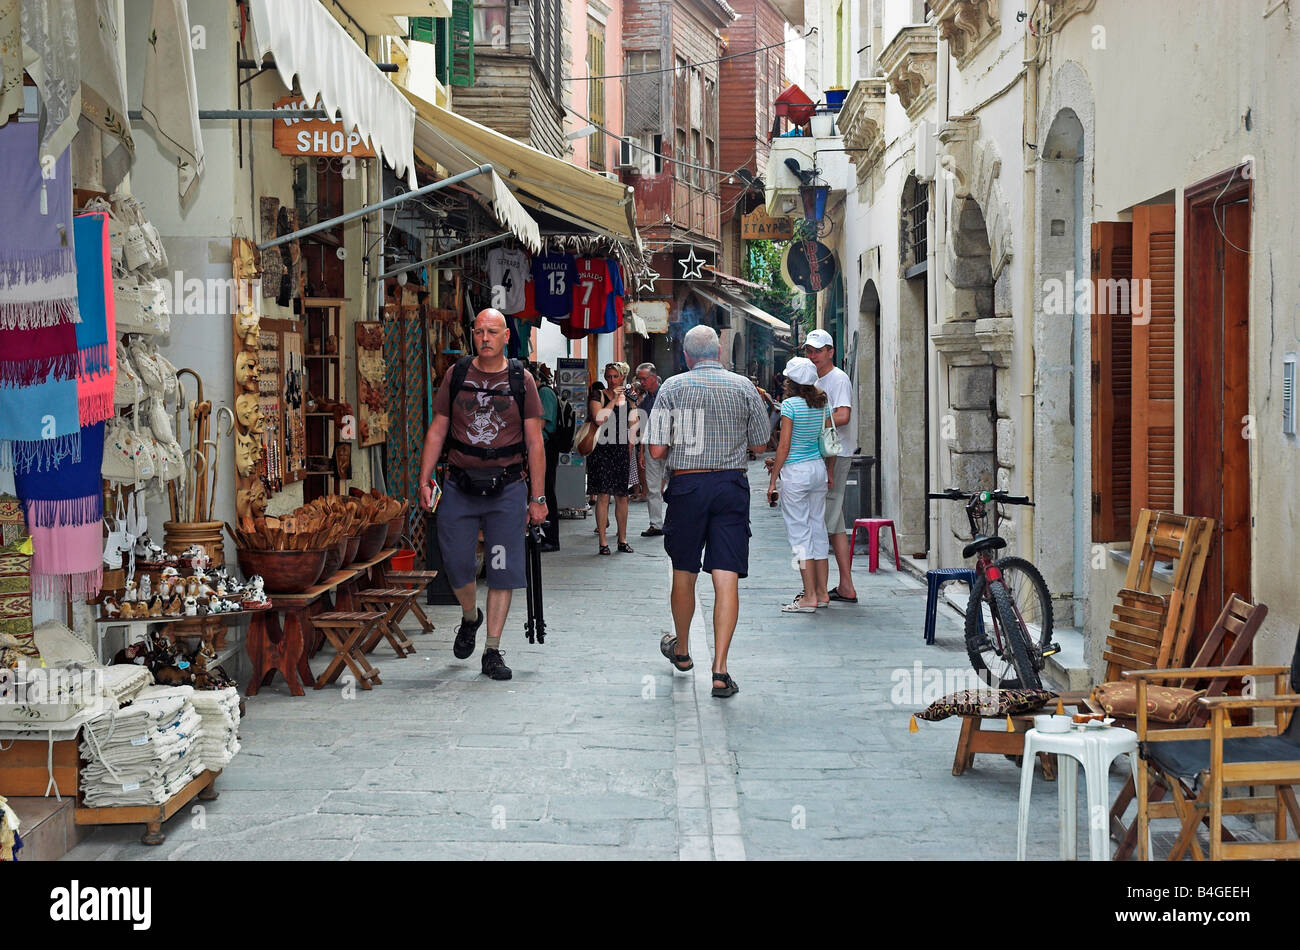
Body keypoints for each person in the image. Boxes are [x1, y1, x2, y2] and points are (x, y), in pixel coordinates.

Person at [417, 309, 548, 681]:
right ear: (472, 335)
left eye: (492, 332)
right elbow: (437, 430)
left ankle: (492, 649)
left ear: (507, 336)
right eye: (478, 332)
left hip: (506, 488)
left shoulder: (521, 380)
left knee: (502, 569)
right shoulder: (456, 375)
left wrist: (537, 499)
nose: (485, 338)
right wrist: (424, 480)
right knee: (456, 563)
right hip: (459, 485)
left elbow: (535, 442)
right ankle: (470, 616)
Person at [647, 326, 771, 698]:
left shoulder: (671, 388)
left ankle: (682, 650)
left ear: (687, 357)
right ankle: (720, 671)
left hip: (687, 486)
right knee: (726, 575)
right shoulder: (744, 387)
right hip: (731, 486)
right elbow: (761, 442)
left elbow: (655, 451)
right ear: (718, 353)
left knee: (684, 570)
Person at [767, 357, 831, 612]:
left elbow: (784, 445)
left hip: (796, 472)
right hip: (818, 469)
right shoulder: (821, 403)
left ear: (790, 381)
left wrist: (773, 480)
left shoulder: (790, 406)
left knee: (799, 535)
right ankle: (822, 592)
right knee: (818, 530)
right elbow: (825, 439)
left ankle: (809, 597)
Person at [803, 328, 859, 604]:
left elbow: (843, 415)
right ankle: (845, 585)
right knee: (834, 522)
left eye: (817, 350)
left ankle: (818, 590)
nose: (812, 355)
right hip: (825, 453)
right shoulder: (815, 378)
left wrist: (810, 423)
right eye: (809, 351)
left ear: (830, 352)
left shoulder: (838, 378)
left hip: (836, 454)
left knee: (822, 521)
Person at [587, 361, 635, 555]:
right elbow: (600, 418)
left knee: (622, 496)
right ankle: (603, 541)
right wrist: (614, 399)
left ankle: (622, 539)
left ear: (622, 377)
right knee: (603, 495)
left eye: (615, 376)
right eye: (608, 376)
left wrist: (632, 448)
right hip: (602, 449)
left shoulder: (630, 397)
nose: (612, 380)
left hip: (621, 450)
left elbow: (634, 424)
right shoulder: (598, 395)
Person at [633, 362, 665, 537]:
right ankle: (656, 524)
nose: (642, 382)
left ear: (653, 377)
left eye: (644, 379)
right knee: (652, 487)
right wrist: (642, 452)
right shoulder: (645, 401)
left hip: (669, 446)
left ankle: (676, 522)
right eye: (640, 379)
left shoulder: (667, 393)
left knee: (675, 486)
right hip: (651, 446)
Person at [533, 362, 561, 552]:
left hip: (546, 447)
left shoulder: (544, 393)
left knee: (547, 492)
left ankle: (551, 539)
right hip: (544, 446)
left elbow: (541, 425)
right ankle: (546, 536)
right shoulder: (543, 392)